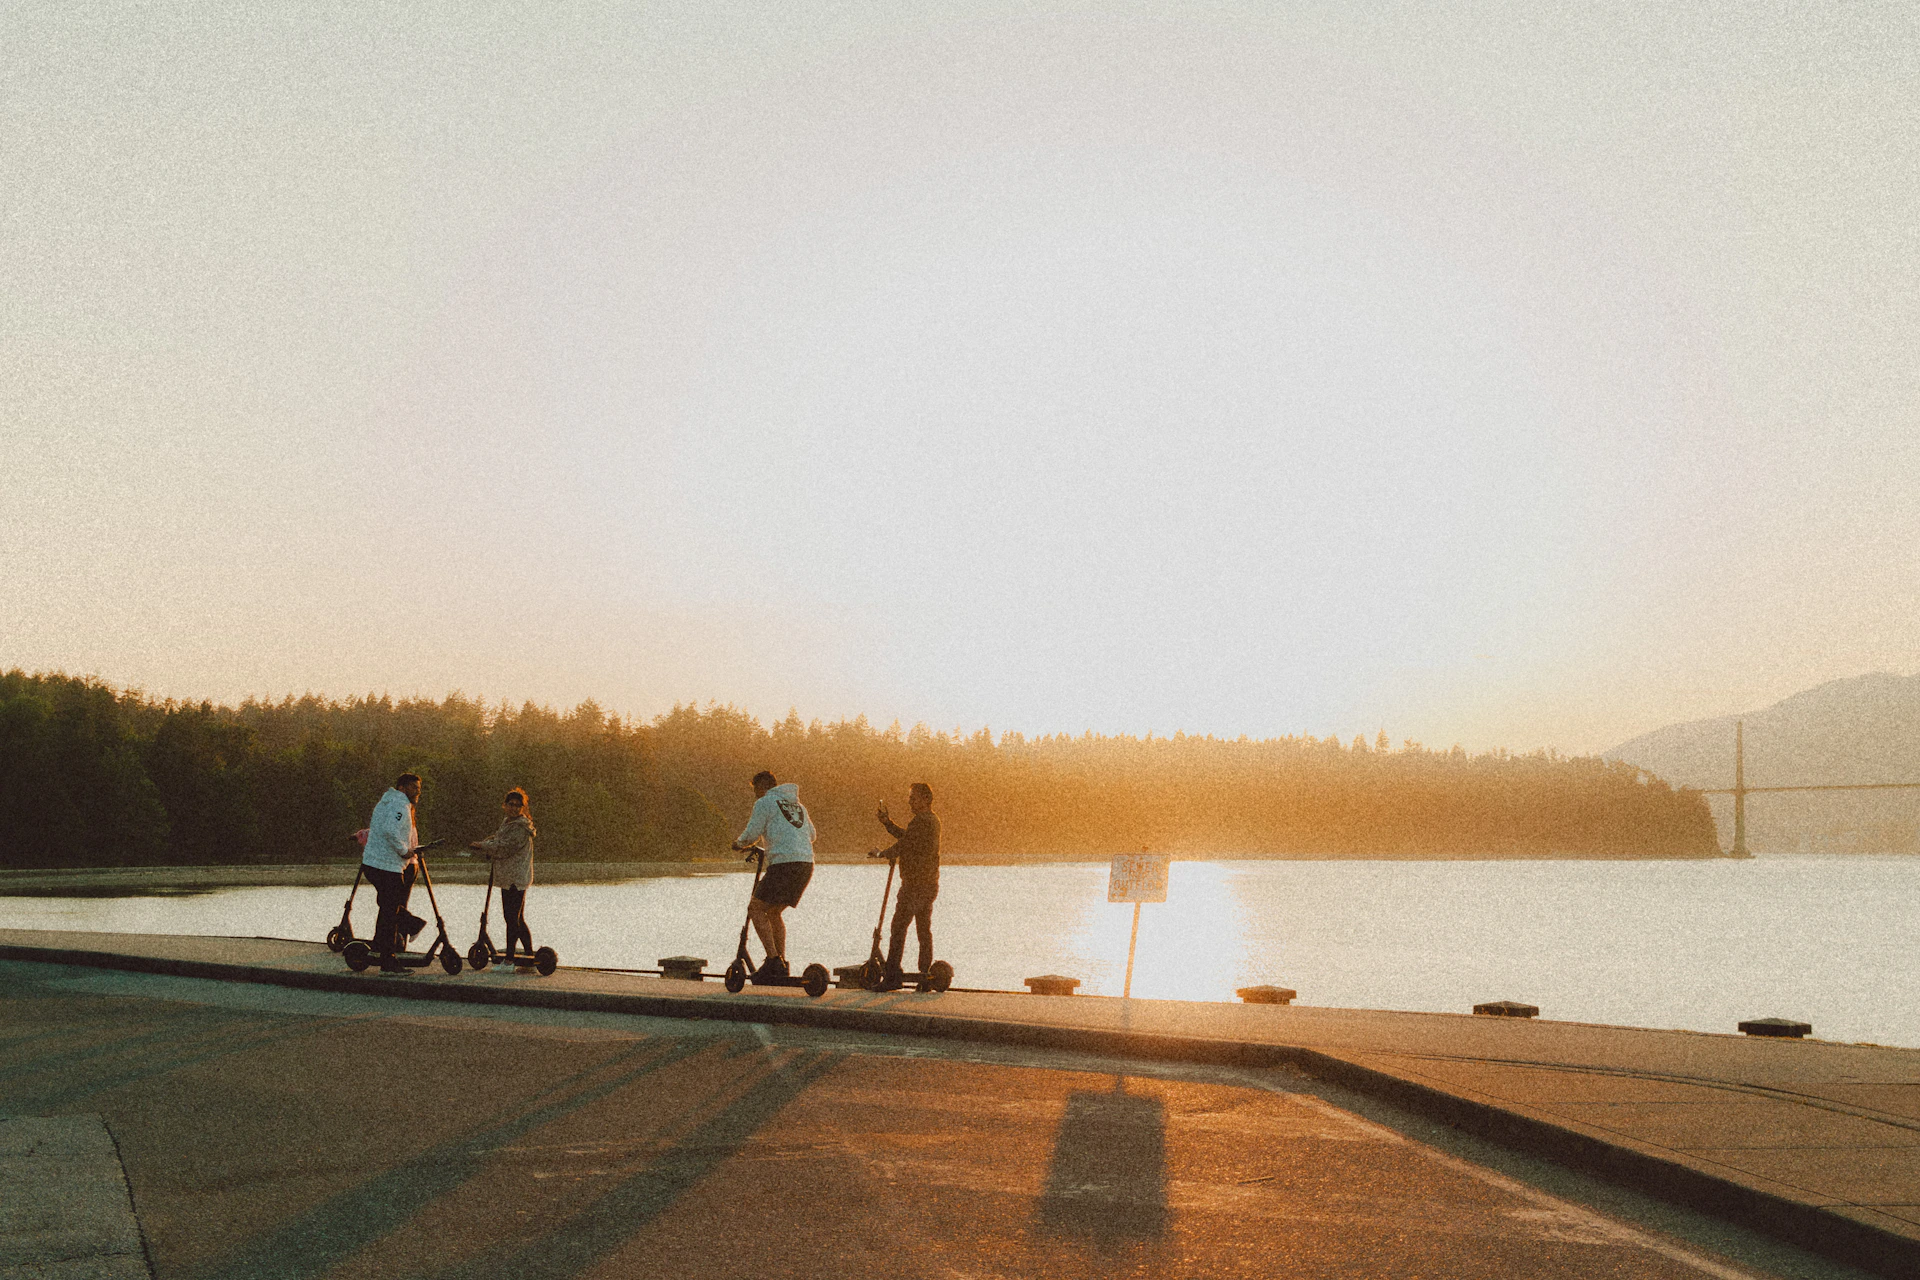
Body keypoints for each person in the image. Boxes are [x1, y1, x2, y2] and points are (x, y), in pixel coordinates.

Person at [731, 770, 816, 979]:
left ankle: (772, 961)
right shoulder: (798, 806)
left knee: (755, 909)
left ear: (764, 787)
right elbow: (812, 835)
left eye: (755, 790)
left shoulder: (765, 802)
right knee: (774, 912)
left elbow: (753, 831)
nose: (755, 795)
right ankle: (781, 962)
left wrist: (739, 844)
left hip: (783, 864)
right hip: (805, 864)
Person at [869, 782, 941, 989]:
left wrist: (882, 853)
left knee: (898, 928)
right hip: (929, 883)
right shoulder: (931, 820)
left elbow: (905, 844)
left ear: (926, 799)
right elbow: (908, 838)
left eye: (914, 798)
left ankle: (892, 977)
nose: (910, 802)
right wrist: (887, 823)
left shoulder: (922, 821)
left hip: (915, 885)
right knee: (923, 930)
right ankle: (925, 976)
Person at [362, 772, 425, 973]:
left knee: (387, 906)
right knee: (390, 911)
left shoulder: (385, 802)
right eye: (414, 788)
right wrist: (405, 851)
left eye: (419, 788)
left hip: (373, 863)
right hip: (387, 866)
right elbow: (391, 830)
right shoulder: (400, 805)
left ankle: (380, 946)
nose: (418, 792)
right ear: (402, 787)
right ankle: (389, 961)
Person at [468, 788, 537, 962]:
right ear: (504, 806)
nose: (514, 808)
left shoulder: (521, 827)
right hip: (508, 877)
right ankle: (529, 954)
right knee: (516, 917)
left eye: (518, 805)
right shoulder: (508, 823)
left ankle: (510, 959)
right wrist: (485, 844)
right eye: (511, 805)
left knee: (512, 918)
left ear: (522, 808)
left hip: (516, 878)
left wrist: (483, 846)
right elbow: (498, 840)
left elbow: (506, 847)